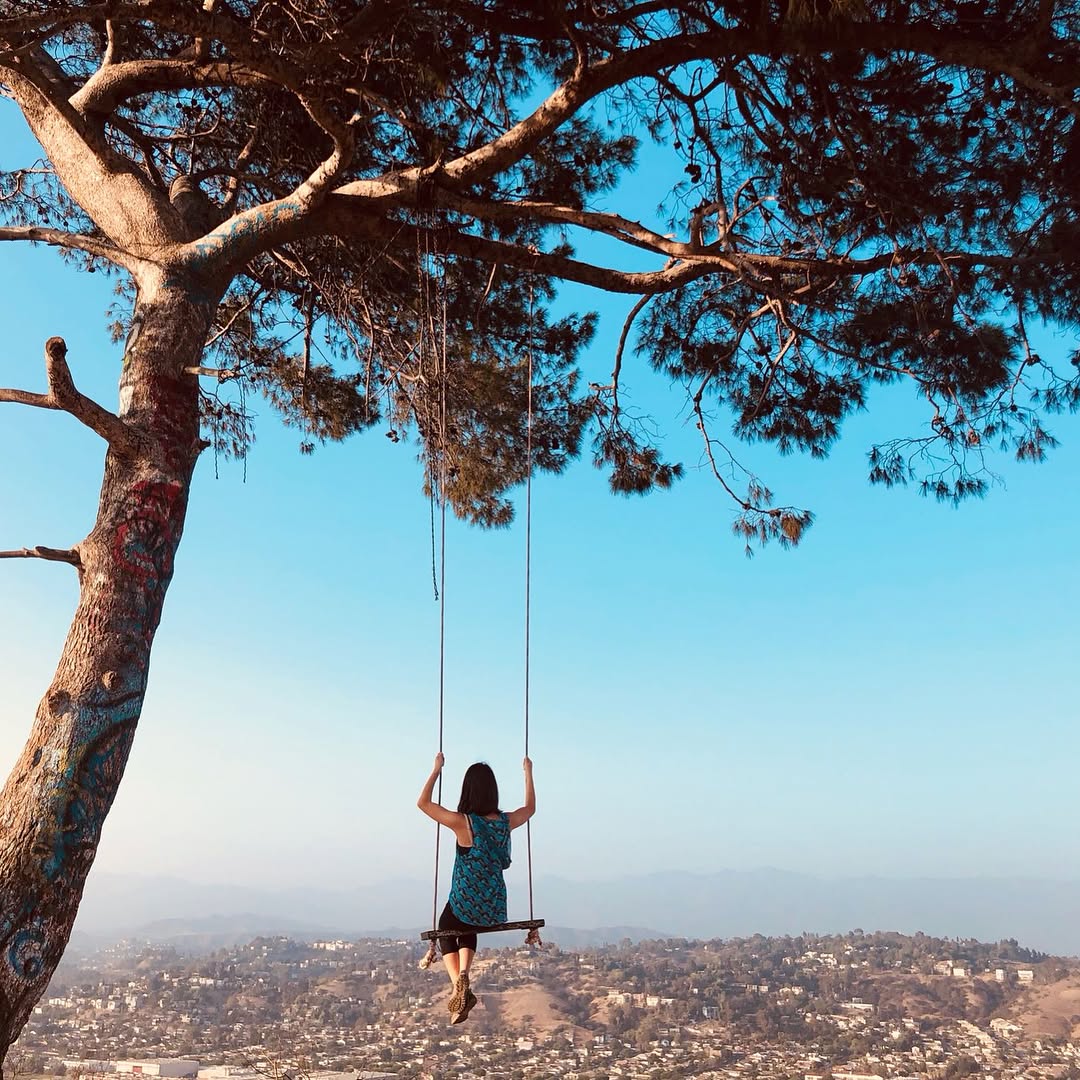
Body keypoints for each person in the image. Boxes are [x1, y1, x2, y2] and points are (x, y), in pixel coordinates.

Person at [417, 753, 535, 1023]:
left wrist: (436, 769)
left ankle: (458, 982)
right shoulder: (505, 823)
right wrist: (528, 773)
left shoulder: (464, 822)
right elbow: (529, 809)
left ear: (468, 790)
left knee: (448, 925)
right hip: (493, 905)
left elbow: (423, 803)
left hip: (465, 899)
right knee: (469, 925)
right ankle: (463, 975)